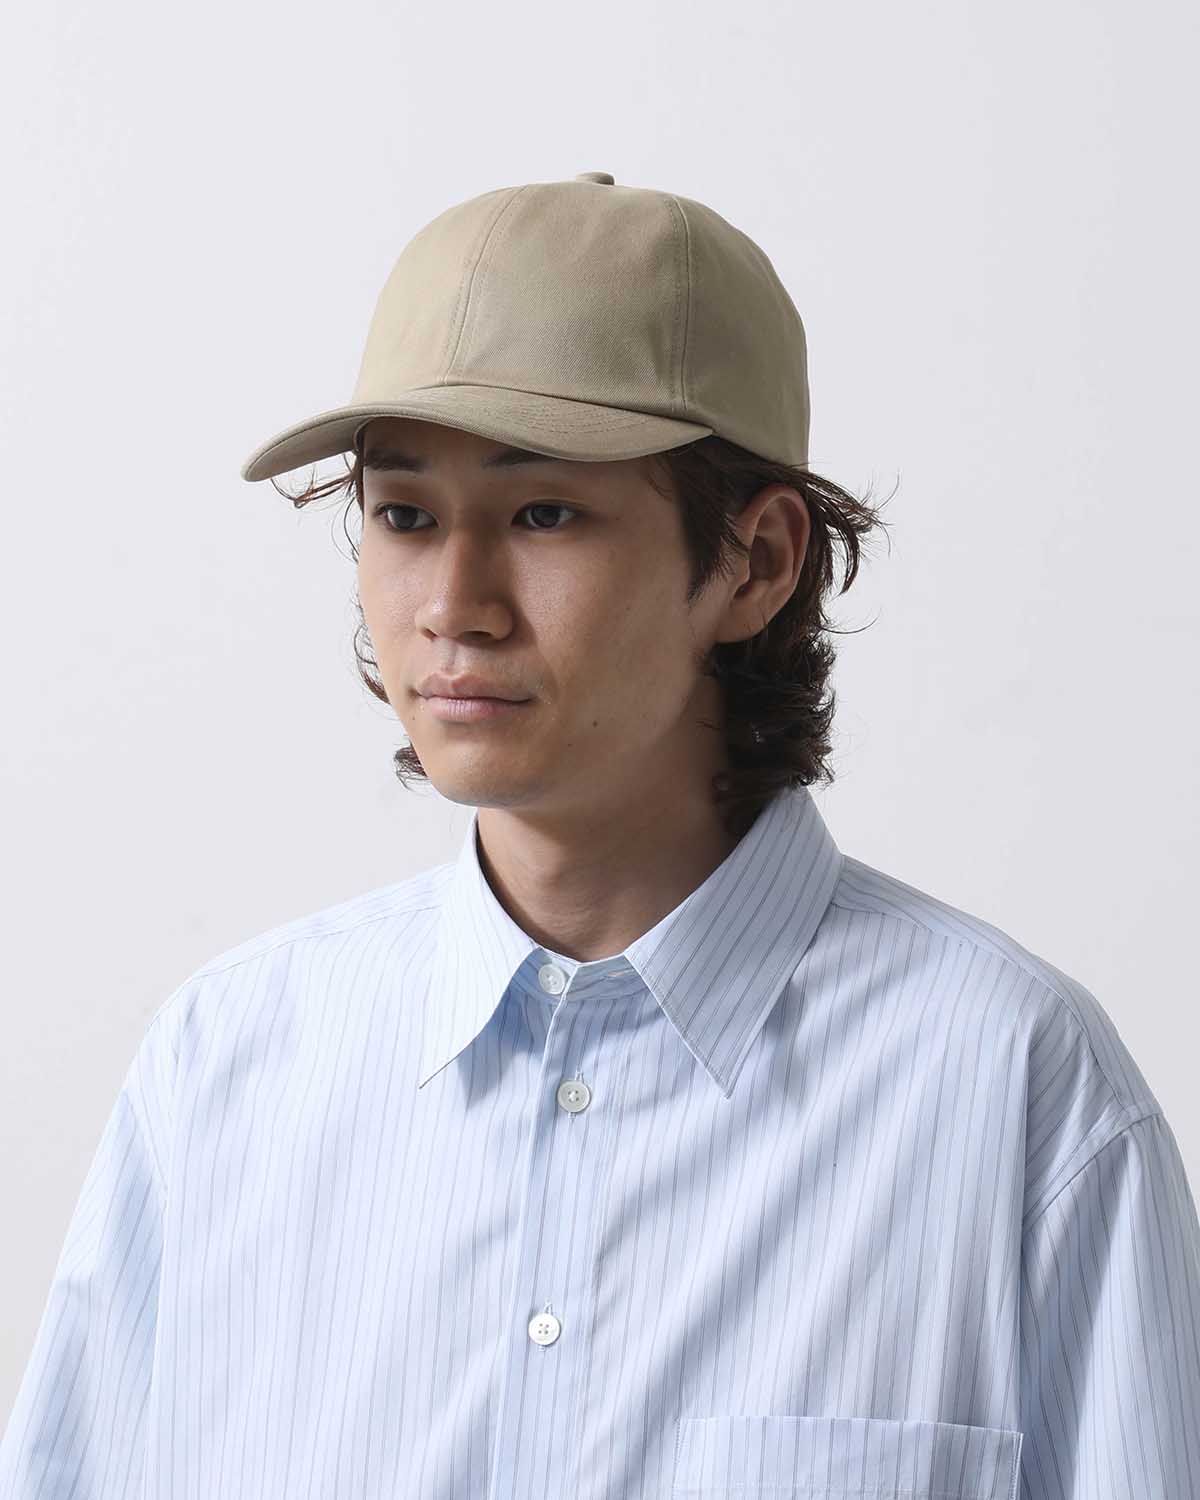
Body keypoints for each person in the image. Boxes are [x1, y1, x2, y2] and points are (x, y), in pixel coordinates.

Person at [2, 170, 1197, 1500]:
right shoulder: (224, 1072)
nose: (454, 605)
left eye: (544, 513)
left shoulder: (1013, 1087)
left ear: (757, 562)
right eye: (404, 515)